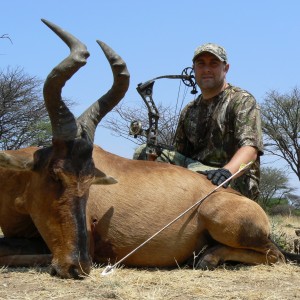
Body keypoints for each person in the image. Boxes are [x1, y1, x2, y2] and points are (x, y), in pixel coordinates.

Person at [134, 43, 263, 200]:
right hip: (197, 173)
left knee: (192, 176)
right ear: (194, 69)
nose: (206, 69)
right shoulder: (189, 110)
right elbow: (179, 154)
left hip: (233, 177)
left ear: (226, 68)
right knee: (144, 151)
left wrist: (226, 172)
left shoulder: (242, 101)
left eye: (213, 63)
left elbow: (250, 149)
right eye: (201, 64)